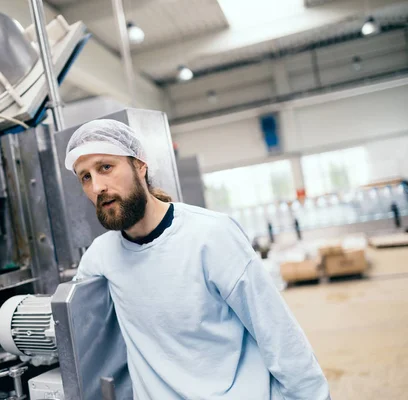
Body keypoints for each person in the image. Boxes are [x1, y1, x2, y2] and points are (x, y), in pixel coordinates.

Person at [65, 119, 330, 400]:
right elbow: (78, 331)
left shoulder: (211, 235)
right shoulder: (100, 257)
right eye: (85, 177)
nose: (97, 187)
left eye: (106, 167)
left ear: (140, 165)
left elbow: (277, 333)